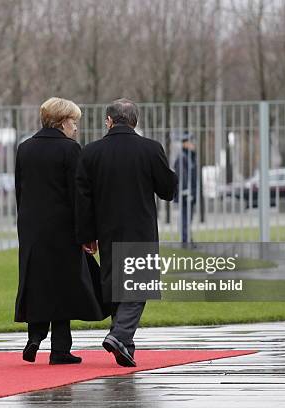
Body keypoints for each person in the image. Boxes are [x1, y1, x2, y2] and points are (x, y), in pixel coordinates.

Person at [75, 98, 178, 367]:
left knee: (115, 286)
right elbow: (167, 190)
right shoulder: (150, 149)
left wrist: (87, 234)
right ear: (135, 121)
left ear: (108, 121)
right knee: (137, 285)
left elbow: (82, 198)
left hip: (106, 230)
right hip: (140, 227)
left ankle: (125, 346)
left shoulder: (91, 152)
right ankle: (119, 335)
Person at [14, 97, 107, 365]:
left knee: (37, 282)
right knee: (64, 286)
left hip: (32, 228)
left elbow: (21, 191)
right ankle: (60, 350)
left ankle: (35, 337)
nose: (76, 127)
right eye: (74, 122)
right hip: (63, 229)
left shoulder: (25, 148)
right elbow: (78, 195)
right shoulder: (70, 150)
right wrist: (87, 234)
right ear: (62, 121)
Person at [173, 132, 197, 243]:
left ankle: (187, 238)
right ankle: (185, 240)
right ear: (185, 144)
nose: (193, 144)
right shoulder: (182, 158)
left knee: (188, 217)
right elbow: (182, 177)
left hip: (190, 193)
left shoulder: (190, 156)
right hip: (185, 194)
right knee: (185, 218)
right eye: (191, 142)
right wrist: (186, 192)